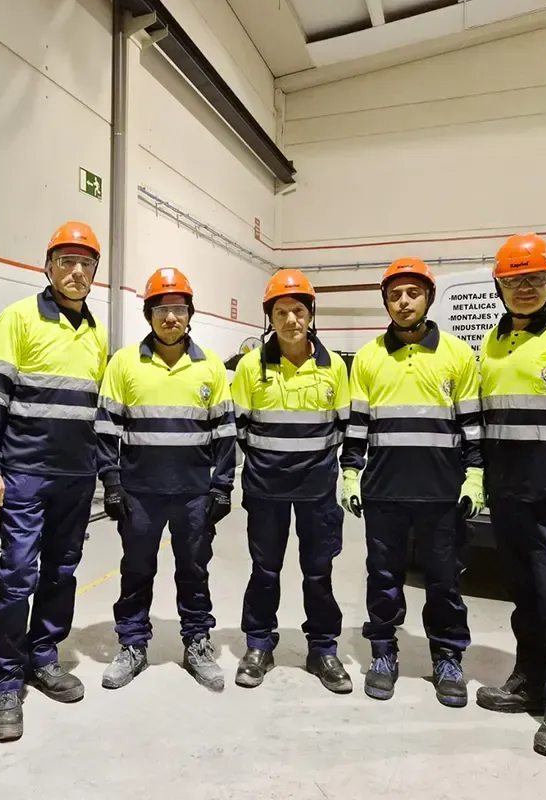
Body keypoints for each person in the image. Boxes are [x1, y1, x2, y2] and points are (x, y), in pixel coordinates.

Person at [0, 222, 107, 743]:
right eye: (67, 262)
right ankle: (4, 679)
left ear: (94, 273)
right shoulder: (19, 317)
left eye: (86, 264)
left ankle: (43, 656)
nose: (77, 272)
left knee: (62, 572)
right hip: (24, 473)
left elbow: (92, 412)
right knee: (17, 574)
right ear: (48, 266)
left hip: (75, 477)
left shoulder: (96, 331)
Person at [340, 258, 484, 707]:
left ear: (428, 297)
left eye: (412, 293)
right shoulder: (367, 357)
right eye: (395, 295)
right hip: (383, 490)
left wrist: (476, 475)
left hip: (442, 492)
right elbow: (358, 423)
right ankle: (383, 653)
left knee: (444, 580)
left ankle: (447, 657)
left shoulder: (458, 355)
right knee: (382, 576)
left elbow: (471, 426)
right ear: (385, 301)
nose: (403, 302)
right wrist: (350, 471)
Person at [95, 267, 235, 692]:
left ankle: (196, 641)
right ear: (149, 315)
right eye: (161, 308)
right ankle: (133, 643)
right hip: (140, 494)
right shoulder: (124, 363)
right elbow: (106, 429)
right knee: (136, 570)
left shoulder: (209, 365)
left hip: (194, 494)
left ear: (189, 314)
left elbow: (225, 433)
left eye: (178, 308)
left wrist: (222, 486)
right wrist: (113, 483)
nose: (170, 317)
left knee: (194, 570)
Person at [231, 270, 352, 693]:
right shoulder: (250, 367)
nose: (291, 320)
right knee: (265, 570)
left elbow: (344, 427)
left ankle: (323, 648)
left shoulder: (334, 365)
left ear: (310, 314)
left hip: (317, 492)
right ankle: (259, 644)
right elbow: (240, 428)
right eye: (281, 312)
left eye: (298, 311)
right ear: (270, 317)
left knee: (318, 572)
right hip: (266, 492)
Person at [475, 233, 546, 759]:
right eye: (515, 280)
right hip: (507, 497)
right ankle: (529, 681)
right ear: (500, 285)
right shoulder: (492, 344)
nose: (526, 288)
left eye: (535, 278)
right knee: (525, 598)